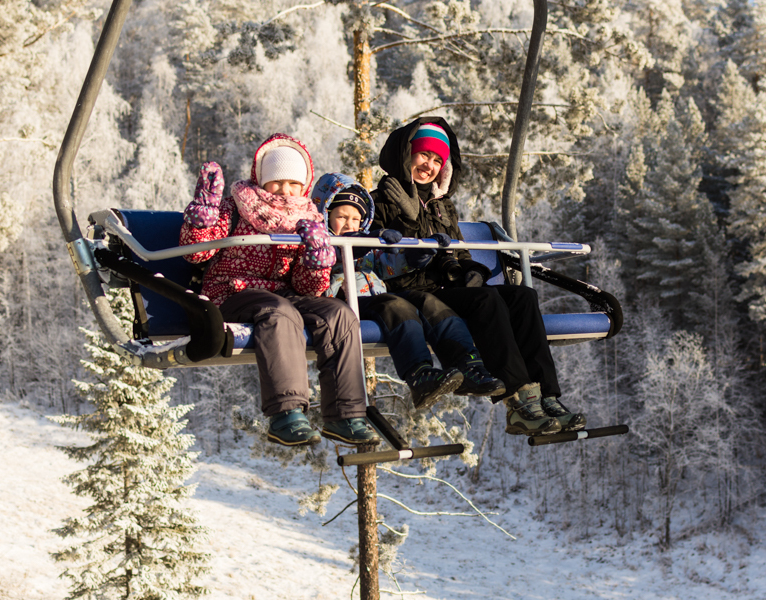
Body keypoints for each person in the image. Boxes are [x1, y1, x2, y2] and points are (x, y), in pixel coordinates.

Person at [369, 117, 587, 436]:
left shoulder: (443, 207)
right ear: (406, 154)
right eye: (423, 155)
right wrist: (411, 243)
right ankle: (518, 400)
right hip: (412, 293)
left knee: (523, 296)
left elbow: (461, 252)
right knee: (486, 299)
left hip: (449, 288)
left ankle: (545, 395)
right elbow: (375, 261)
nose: (428, 165)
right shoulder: (381, 201)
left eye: (436, 160)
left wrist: (470, 270)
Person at [179, 134, 378, 447]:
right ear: (261, 180)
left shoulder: (309, 219)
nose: (286, 192)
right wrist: (202, 215)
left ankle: (345, 414)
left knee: (339, 314)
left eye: (294, 185)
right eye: (277, 183)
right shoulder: (235, 208)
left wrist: (316, 261)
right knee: (279, 312)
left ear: (304, 186)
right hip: (232, 292)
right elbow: (195, 253)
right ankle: (286, 415)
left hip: (286, 294)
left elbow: (307, 288)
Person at [312, 172, 505, 411]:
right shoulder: (320, 242)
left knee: (426, 300)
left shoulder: (364, 243)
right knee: (396, 306)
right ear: (325, 215)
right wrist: (362, 243)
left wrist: (416, 255)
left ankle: (468, 363)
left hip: (377, 296)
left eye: (355, 219)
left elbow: (387, 265)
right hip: (344, 300)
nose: (350, 225)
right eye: (342, 217)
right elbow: (327, 264)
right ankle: (418, 373)